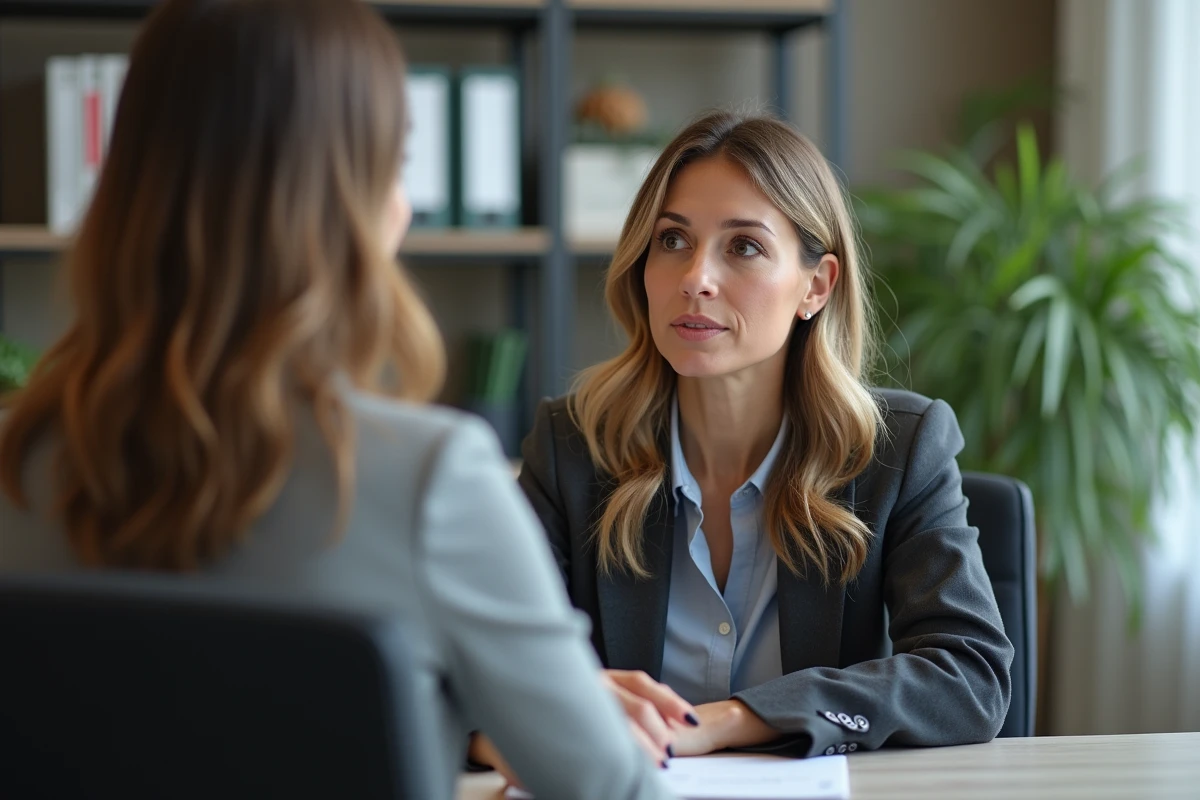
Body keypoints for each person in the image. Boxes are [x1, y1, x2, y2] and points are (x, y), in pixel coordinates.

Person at [0, 2, 686, 797]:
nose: (405, 204)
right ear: (349, 203)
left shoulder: (17, 467)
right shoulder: (430, 480)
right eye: (395, 164)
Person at [514, 111, 1015, 760]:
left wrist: (724, 722)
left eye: (743, 246)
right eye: (672, 240)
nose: (696, 278)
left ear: (816, 285)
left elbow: (969, 678)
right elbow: (476, 668)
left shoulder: (897, 449)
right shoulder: (572, 446)